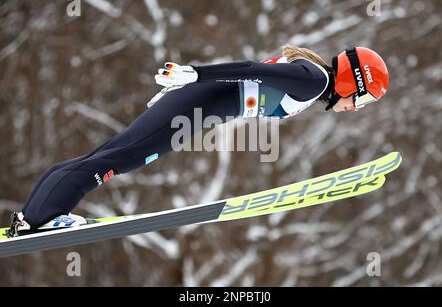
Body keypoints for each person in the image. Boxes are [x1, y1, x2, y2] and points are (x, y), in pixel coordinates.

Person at [5, 44, 389, 237]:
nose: (357, 107)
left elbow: (253, 76)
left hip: (194, 106)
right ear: (351, 80)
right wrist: (195, 76)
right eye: (364, 98)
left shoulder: (312, 79)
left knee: (113, 154)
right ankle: (44, 218)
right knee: (119, 158)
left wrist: (191, 86)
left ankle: (34, 216)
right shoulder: (315, 80)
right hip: (194, 103)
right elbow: (250, 69)